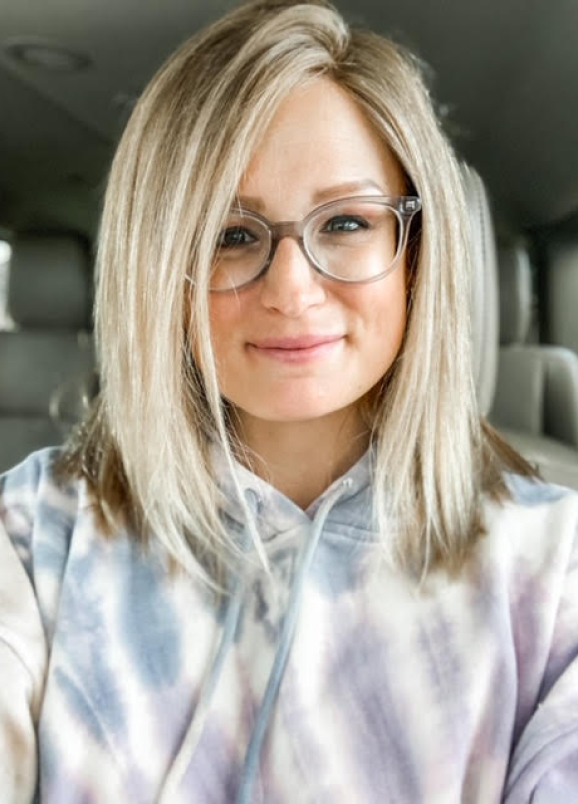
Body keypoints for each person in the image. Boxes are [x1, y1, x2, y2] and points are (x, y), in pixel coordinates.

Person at [1, 1, 577, 801]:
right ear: (157, 267)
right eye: (231, 234)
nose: (292, 289)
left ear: (415, 256)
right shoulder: (32, 539)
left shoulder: (555, 572)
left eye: (344, 222)